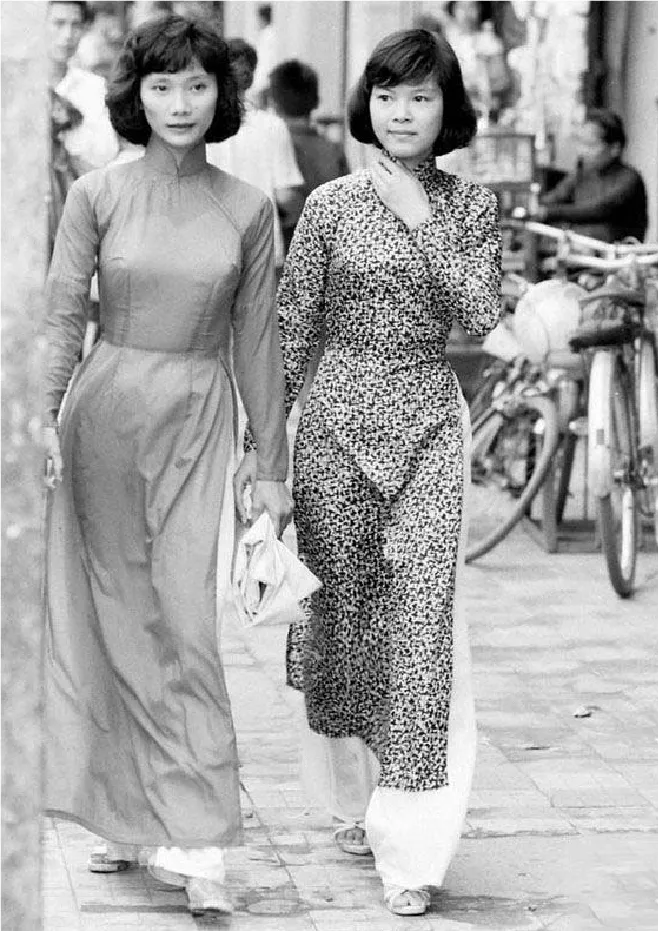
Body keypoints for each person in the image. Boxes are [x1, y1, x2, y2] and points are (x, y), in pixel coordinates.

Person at [235, 27, 501, 917]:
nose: (402, 112)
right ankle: (358, 796)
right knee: (342, 620)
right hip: (333, 429)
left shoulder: (470, 207)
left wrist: (421, 218)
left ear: (446, 108)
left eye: (421, 97)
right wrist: (263, 453)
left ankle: (414, 848)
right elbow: (291, 328)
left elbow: (480, 313)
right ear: (367, 104)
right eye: (388, 95)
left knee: (422, 625)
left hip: (428, 425)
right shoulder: (331, 205)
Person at [42, 14, 292, 918]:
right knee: (108, 615)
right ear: (135, 96)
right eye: (162, 85)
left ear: (222, 95)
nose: (180, 103)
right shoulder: (96, 194)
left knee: (184, 620)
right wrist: (37, 415)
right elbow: (63, 312)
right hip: (103, 415)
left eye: (197, 85)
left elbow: (257, 339)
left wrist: (271, 462)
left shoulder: (247, 207)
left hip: (198, 415)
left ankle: (197, 833)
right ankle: (122, 810)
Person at [208, 38, 304, 278]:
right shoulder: (272, 126)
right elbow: (286, 197)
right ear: (251, 77)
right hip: (261, 251)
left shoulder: (199, 125)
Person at [268, 59, 349, 253]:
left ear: (274, 103)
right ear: (316, 101)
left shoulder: (270, 148)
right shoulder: (332, 149)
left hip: (285, 254)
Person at [533, 109, 649, 242]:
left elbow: (599, 209)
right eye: (581, 143)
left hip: (614, 252)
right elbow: (555, 197)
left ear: (614, 148)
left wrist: (548, 212)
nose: (582, 152)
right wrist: (532, 206)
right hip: (579, 251)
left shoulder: (629, 179)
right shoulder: (581, 174)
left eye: (590, 145)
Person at [48, 1, 120, 177]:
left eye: (76, 25)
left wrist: (71, 123)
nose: (68, 34)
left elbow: (106, 154)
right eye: (59, 23)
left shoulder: (93, 87)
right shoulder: (17, 86)